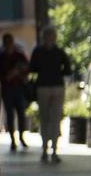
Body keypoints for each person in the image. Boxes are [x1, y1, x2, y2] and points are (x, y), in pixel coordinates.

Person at [30, 25, 73, 161]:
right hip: (54, 86)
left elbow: (32, 68)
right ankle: (51, 150)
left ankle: (48, 150)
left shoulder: (39, 51)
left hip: (45, 86)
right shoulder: (59, 52)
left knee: (47, 119)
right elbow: (68, 70)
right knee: (52, 119)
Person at [0, 33, 31, 151]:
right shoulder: (1, 58)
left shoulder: (19, 55)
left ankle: (21, 137)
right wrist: (9, 75)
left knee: (21, 114)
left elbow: (27, 68)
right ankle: (13, 140)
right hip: (7, 89)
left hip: (19, 89)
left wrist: (20, 74)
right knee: (9, 115)